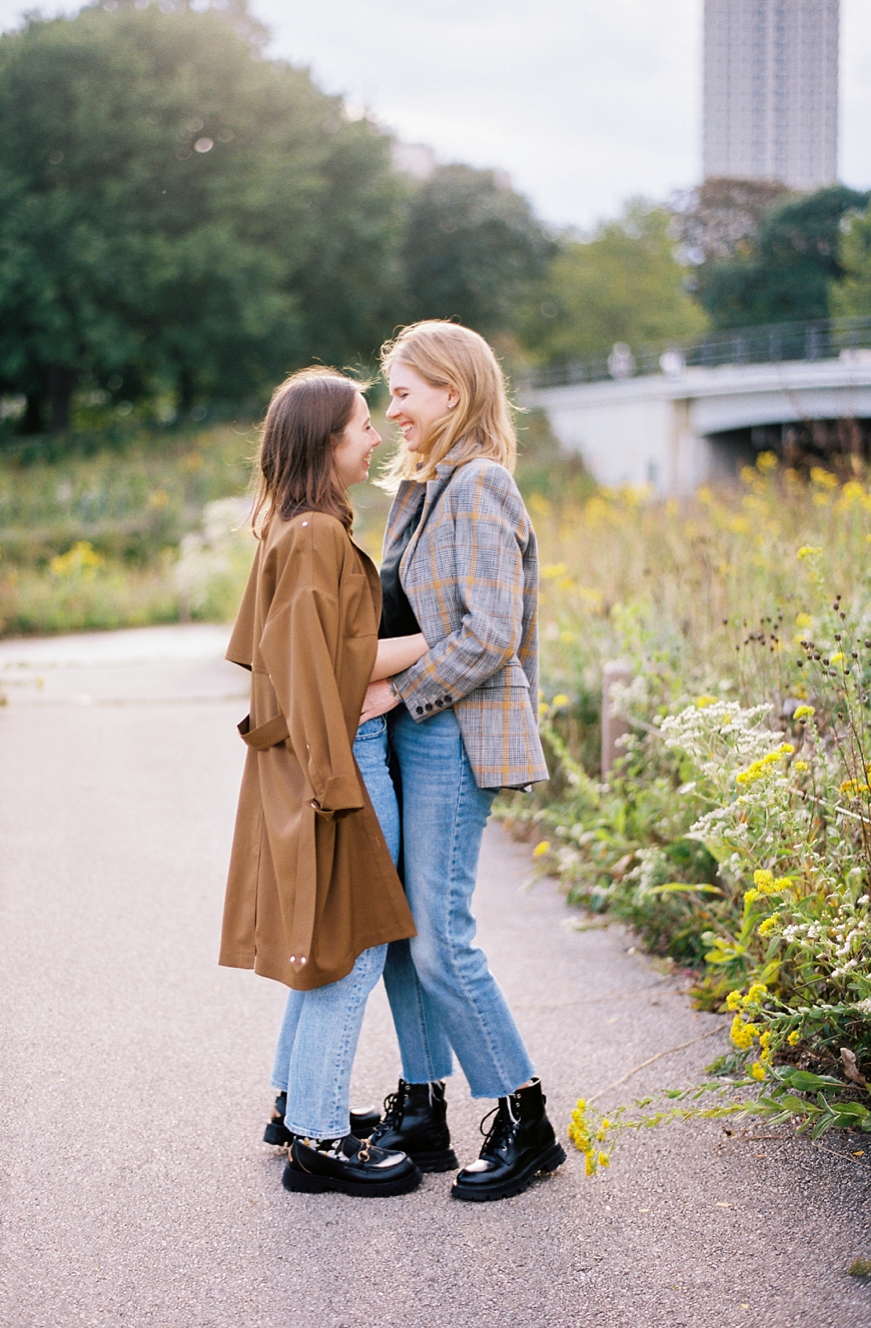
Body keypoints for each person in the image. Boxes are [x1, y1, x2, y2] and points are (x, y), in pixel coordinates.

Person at [360, 320, 567, 1202]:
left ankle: (526, 1119)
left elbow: (492, 631)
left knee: (440, 936)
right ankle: (421, 1105)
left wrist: (398, 694)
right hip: (417, 729)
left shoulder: (480, 485)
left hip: (453, 731)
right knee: (402, 933)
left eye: (404, 391)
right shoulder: (422, 487)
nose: (392, 409)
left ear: (453, 390)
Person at [220, 367, 429, 1198]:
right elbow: (323, 667)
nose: (376, 437)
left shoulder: (297, 528)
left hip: (326, 760)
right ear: (325, 443)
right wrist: (444, 638)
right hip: (342, 767)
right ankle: (319, 1139)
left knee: (330, 947)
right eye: (362, 426)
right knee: (354, 949)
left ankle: (295, 1104)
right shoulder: (310, 535)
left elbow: (293, 660)